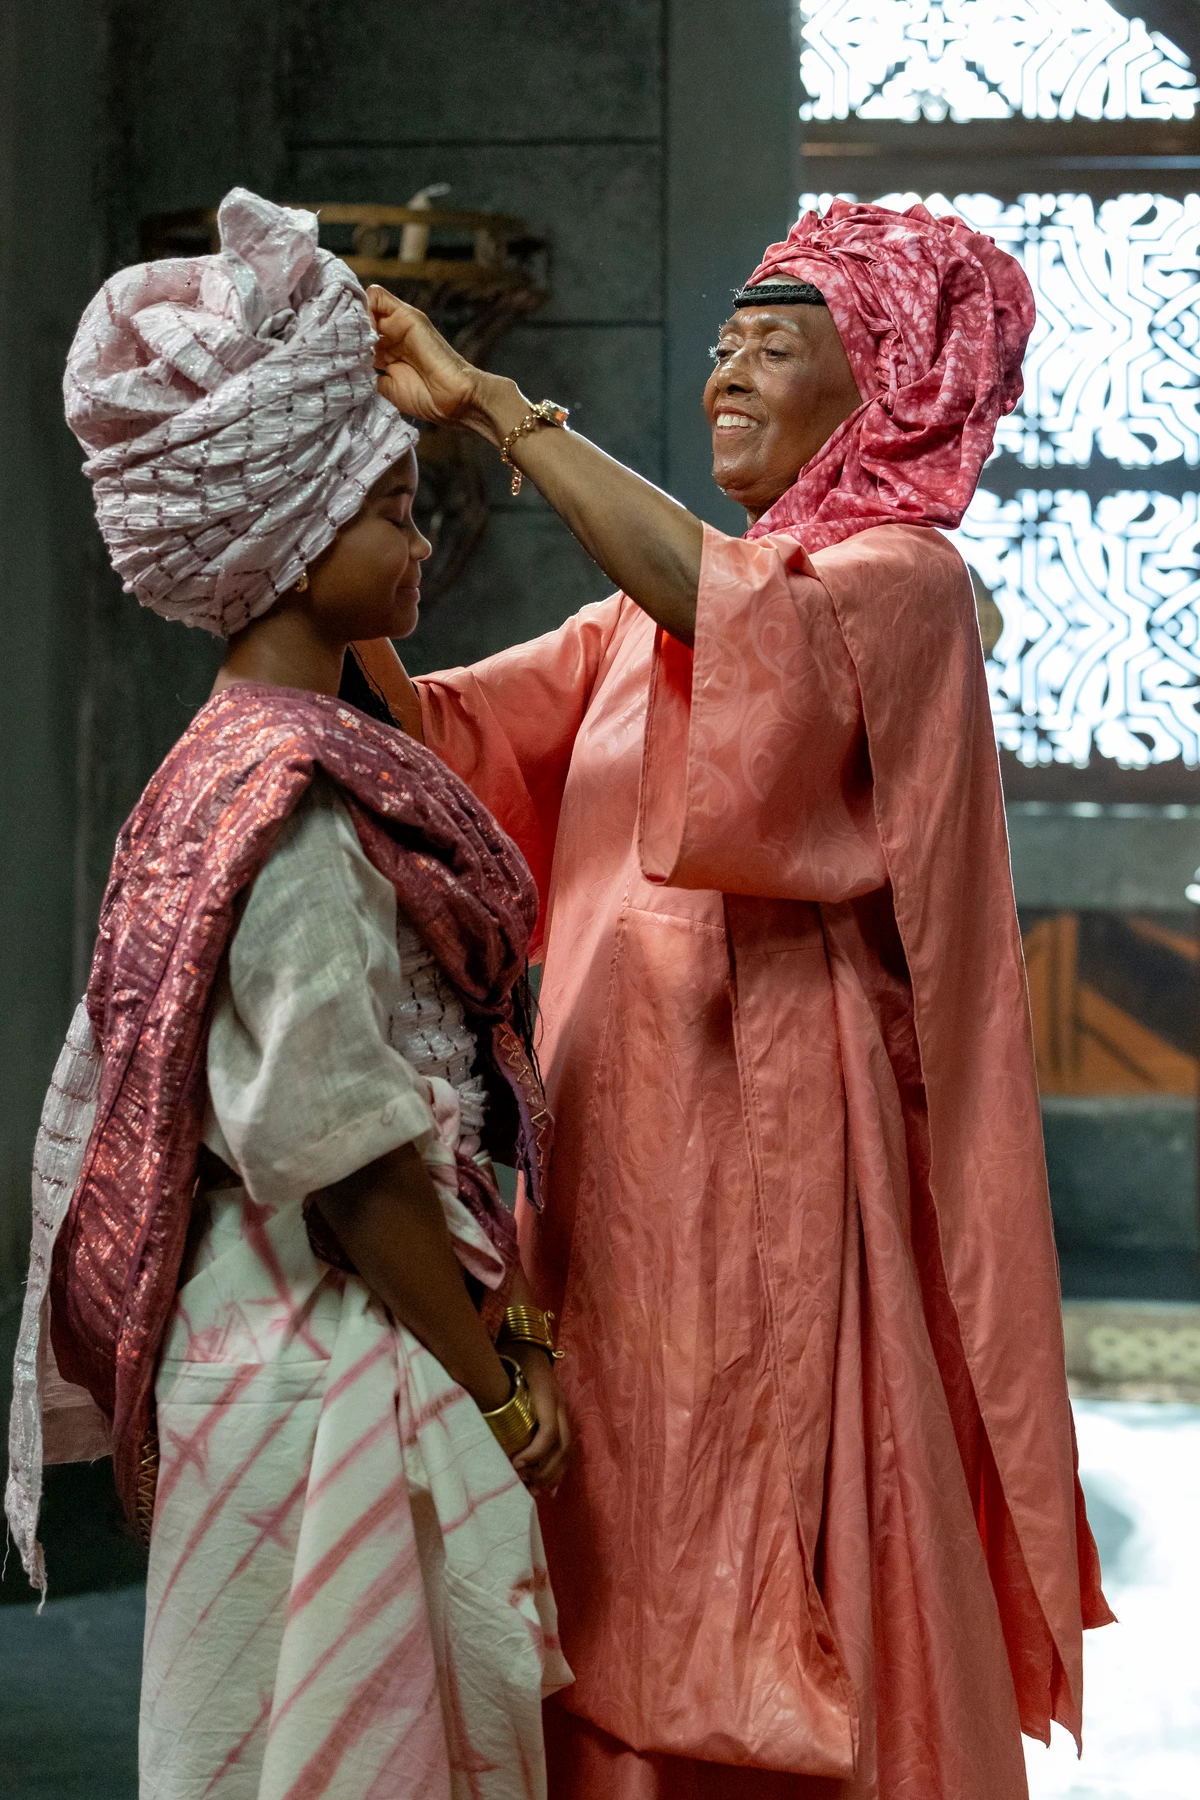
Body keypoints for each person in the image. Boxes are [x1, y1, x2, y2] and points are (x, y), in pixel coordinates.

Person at [356, 199, 1112, 1800]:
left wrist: (499, 407)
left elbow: (742, 621)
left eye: (776, 343)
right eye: (718, 345)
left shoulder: (901, 584)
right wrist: (305, 524)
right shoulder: (642, 616)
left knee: (754, 1485)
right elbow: (440, 738)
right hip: (620, 1153)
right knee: (618, 1482)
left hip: (775, 1143)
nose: (723, 372)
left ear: (888, 379)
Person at [6, 188, 572, 1800]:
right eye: (394, 508)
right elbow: (340, 1152)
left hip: (258, 1351)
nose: (416, 539)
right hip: (325, 1370)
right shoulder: (297, 810)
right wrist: (498, 1387)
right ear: (299, 542)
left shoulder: (221, 763)